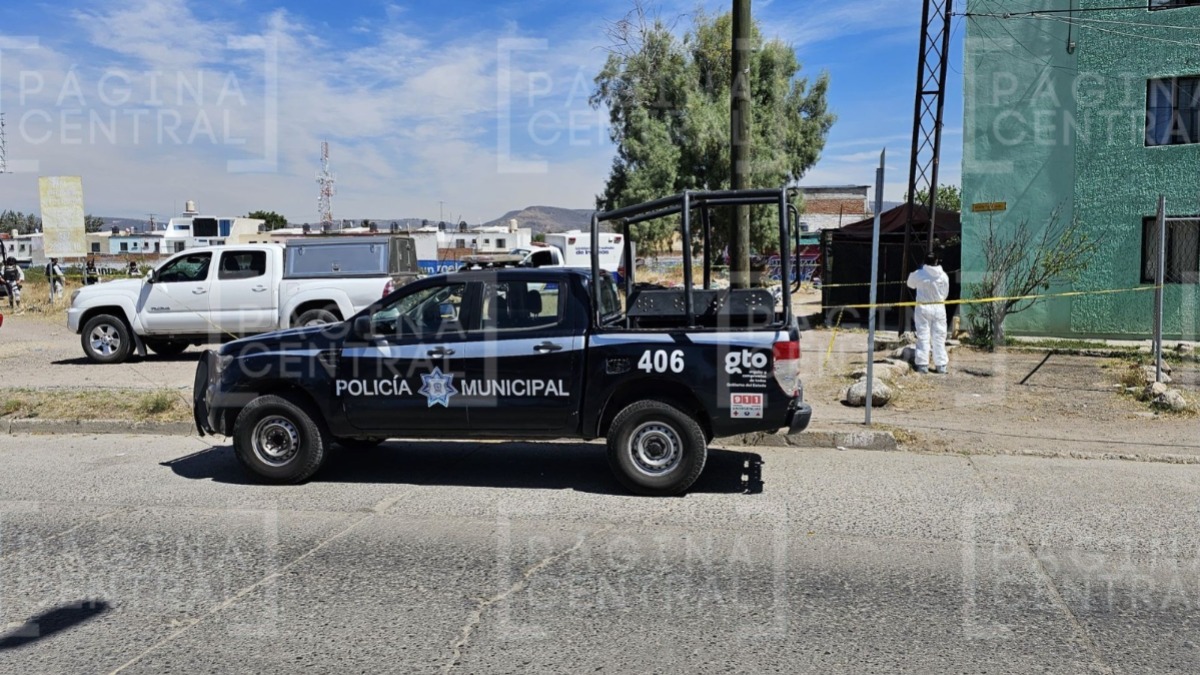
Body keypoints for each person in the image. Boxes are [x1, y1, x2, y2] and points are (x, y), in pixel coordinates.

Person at [907, 250, 950, 374]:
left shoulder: (918, 274)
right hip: (939, 308)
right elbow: (945, 293)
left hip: (923, 308)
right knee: (939, 336)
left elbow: (910, 284)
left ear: (924, 261)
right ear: (937, 261)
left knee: (923, 335)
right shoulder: (943, 276)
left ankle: (922, 365)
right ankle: (941, 365)